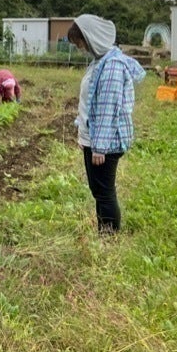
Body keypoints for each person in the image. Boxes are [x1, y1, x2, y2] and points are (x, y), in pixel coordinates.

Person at [67, 14, 146, 234]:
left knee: (104, 191)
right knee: (97, 190)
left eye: (80, 42)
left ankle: (109, 236)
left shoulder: (111, 66)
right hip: (94, 138)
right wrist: (83, 132)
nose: (80, 47)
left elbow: (107, 108)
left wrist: (99, 146)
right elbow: (89, 102)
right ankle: (104, 230)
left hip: (106, 142)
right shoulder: (99, 61)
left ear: (90, 38)